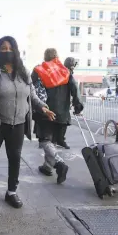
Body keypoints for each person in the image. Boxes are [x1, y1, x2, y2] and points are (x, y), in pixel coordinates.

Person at [0, 36, 55, 208]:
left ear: (15, 50)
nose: (6, 51)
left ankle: (11, 192)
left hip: (18, 122)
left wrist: (42, 107)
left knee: (15, 157)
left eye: (10, 48)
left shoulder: (22, 70)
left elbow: (31, 94)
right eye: (3, 48)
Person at [31, 51, 83, 182]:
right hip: (62, 113)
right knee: (52, 141)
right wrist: (78, 105)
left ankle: (60, 164)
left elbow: (31, 90)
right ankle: (47, 167)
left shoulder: (39, 70)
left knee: (44, 140)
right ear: (56, 57)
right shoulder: (66, 71)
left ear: (45, 57)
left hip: (45, 112)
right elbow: (74, 88)